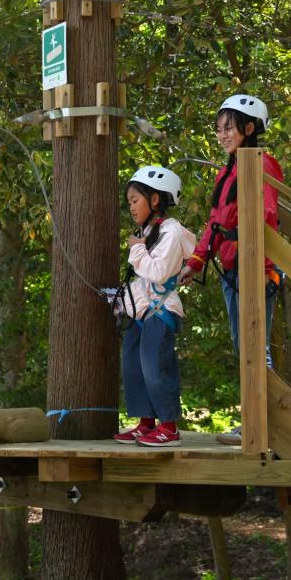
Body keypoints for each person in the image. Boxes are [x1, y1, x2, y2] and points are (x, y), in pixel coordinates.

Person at [177, 93, 284, 443]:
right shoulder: (229, 170)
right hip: (234, 269)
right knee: (245, 347)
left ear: (249, 129)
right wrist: (197, 260)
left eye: (229, 128)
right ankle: (258, 420)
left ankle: (263, 424)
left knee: (256, 346)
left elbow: (266, 214)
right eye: (219, 129)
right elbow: (215, 221)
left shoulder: (260, 163)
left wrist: (254, 258)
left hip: (253, 266)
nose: (222, 135)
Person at [113, 166, 196, 447]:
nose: (131, 207)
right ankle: (146, 423)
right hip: (142, 311)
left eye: (135, 200)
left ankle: (169, 427)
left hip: (161, 311)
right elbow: (144, 280)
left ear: (156, 199)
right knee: (133, 365)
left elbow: (159, 272)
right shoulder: (149, 231)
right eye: (129, 202)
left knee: (155, 366)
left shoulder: (170, 232)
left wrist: (136, 249)